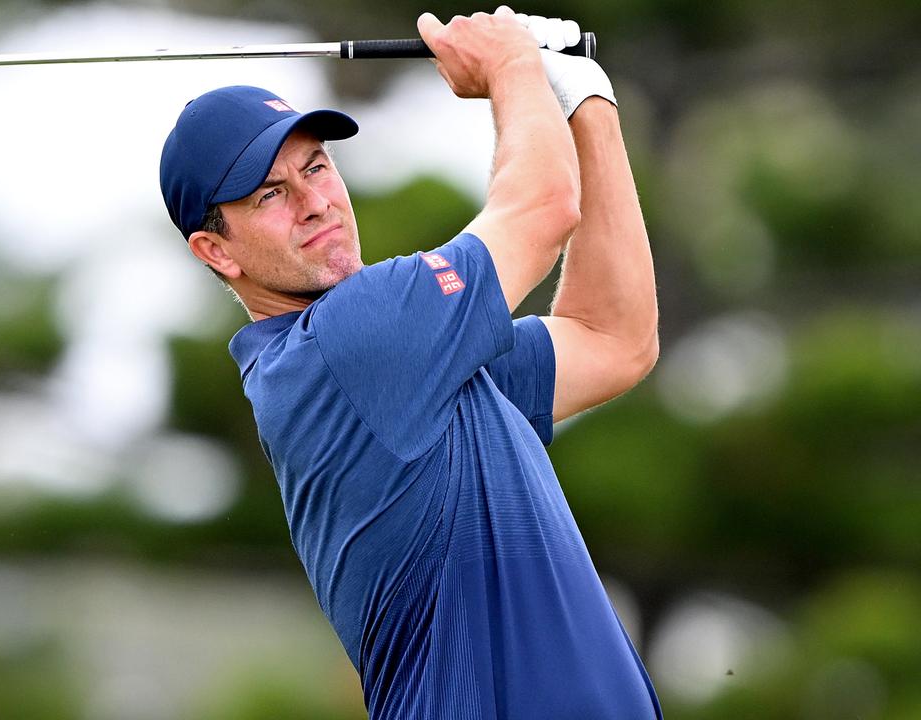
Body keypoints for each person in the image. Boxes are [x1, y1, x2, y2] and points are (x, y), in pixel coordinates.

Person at [158, 6, 660, 719]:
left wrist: (584, 101)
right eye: (271, 194)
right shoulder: (347, 344)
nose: (316, 203)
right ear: (217, 251)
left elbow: (614, 339)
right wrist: (513, 63)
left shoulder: (416, 367)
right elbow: (543, 208)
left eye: (317, 167)